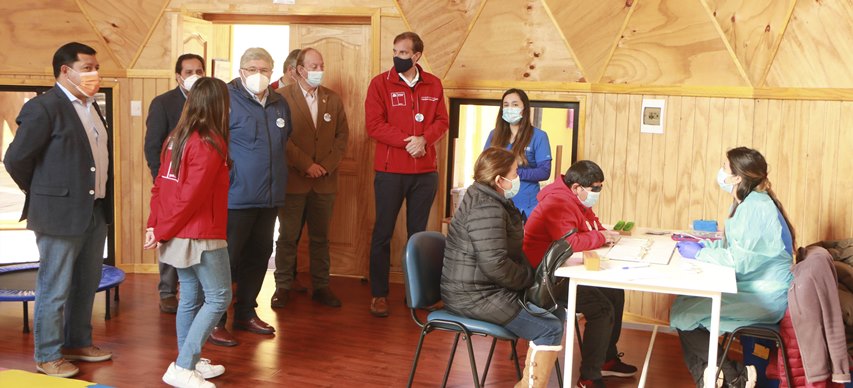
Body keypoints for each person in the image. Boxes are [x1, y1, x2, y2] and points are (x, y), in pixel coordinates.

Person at [4, 42, 113, 378]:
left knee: (86, 281)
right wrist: (45, 193)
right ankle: (47, 354)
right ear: (66, 71)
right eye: (88, 67)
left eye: (96, 67)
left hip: (94, 211)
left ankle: (77, 342)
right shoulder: (44, 107)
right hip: (59, 215)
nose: (95, 73)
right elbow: (16, 160)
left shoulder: (91, 106)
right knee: (55, 285)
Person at [671, 147, 795, 388]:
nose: (721, 172)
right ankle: (726, 379)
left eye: (725, 167)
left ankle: (734, 376)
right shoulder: (746, 203)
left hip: (766, 297)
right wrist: (702, 245)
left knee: (682, 315)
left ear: (738, 177)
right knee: (682, 304)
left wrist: (701, 253)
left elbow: (740, 262)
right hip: (754, 287)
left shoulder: (756, 208)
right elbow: (736, 249)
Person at [441, 147, 563, 388]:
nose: (518, 177)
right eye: (515, 172)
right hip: (474, 296)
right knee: (549, 328)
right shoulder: (486, 208)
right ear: (499, 180)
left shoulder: (487, 199)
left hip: (483, 289)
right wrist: (529, 279)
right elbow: (496, 265)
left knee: (555, 310)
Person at [145, 77, 232, 388]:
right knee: (220, 296)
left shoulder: (175, 137)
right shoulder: (210, 142)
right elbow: (191, 197)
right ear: (220, 104)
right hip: (200, 233)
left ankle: (189, 360)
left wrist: (155, 225)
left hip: (178, 229)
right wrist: (162, 230)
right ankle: (183, 366)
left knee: (190, 297)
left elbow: (160, 186)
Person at [523, 160, 637, 387]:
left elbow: (590, 226)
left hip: (560, 269)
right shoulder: (557, 201)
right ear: (577, 187)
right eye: (595, 189)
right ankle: (589, 377)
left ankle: (606, 359)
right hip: (544, 279)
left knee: (614, 293)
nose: (597, 193)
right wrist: (603, 237)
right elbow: (570, 241)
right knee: (602, 309)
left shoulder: (574, 199)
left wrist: (603, 233)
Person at [209, 47, 292, 346]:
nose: (260, 74)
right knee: (226, 261)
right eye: (253, 68)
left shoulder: (280, 103)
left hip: (269, 197)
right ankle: (215, 321)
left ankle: (245, 312)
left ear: (272, 72)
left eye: (265, 69)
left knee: (258, 257)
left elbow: (284, 141)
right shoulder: (225, 100)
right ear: (242, 70)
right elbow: (211, 144)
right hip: (235, 197)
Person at [365, 31, 448, 317]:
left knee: (418, 235)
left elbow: (442, 121)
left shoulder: (434, 84)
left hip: (424, 173)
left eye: (403, 53)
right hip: (390, 173)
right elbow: (374, 125)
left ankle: (418, 293)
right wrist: (408, 141)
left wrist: (424, 140)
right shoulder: (380, 84)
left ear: (416, 56)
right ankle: (379, 295)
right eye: (395, 52)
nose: (397, 57)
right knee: (383, 233)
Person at [271, 48, 349, 309]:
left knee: (320, 238)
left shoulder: (332, 99)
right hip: (294, 181)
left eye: (321, 65)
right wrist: (307, 164)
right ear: (299, 69)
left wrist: (324, 166)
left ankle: (321, 286)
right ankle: (282, 285)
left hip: (324, 182)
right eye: (313, 66)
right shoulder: (281, 97)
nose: (318, 71)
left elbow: (341, 139)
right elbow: (282, 139)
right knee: (288, 237)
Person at [144, 53, 206, 314]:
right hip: (171, 181)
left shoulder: (207, 102)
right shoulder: (163, 103)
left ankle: (196, 289)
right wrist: (163, 179)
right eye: (189, 71)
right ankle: (168, 291)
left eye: (199, 71)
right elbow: (152, 145)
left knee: (194, 235)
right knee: (168, 234)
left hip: (198, 182)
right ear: (178, 75)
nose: (194, 76)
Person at [270, 48, 308, 293]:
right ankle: (281, 283)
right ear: (293, 71)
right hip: (277, 175)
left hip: (305, 176)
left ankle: (291, 277)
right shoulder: (271, 93)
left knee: (295, 232)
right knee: (285, 233)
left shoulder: (307, 94)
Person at [484, 89, 551, 220]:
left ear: (524, 109)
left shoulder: (539, 136)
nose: (510, 108)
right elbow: (485, 166)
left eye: (515, 105)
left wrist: (513, 173)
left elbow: (545, 172)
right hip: (497, 201)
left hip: (527, 205)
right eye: (506, 105)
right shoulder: (494, 135)